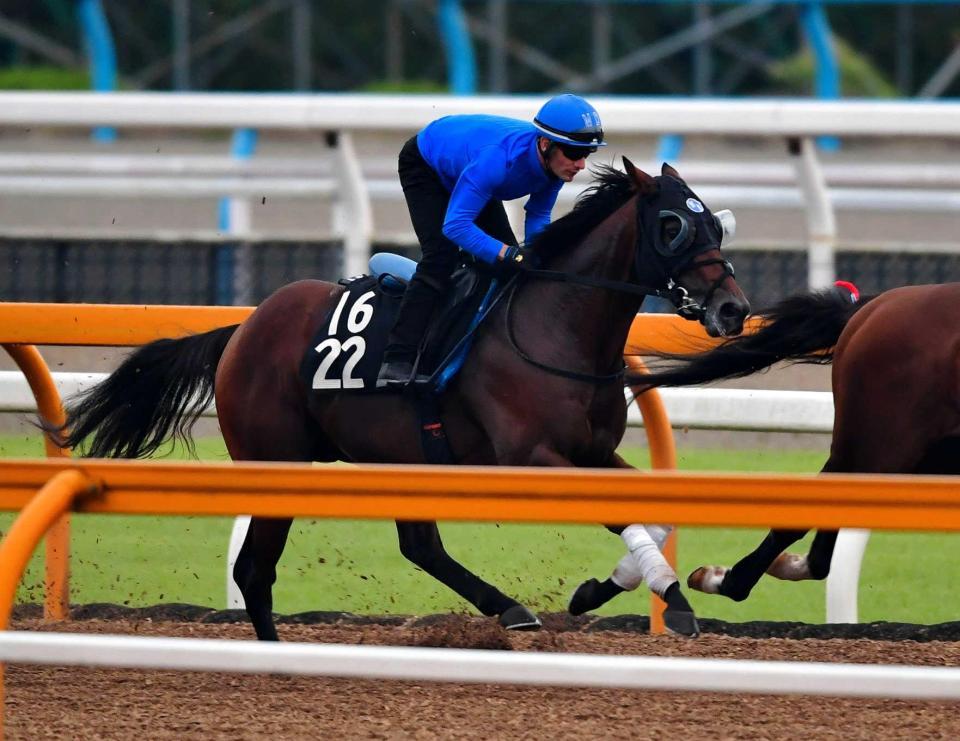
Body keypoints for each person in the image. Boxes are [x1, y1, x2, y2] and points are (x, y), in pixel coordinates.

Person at [376, 93, 607, 387]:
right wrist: (510, 254)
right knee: (441, 258)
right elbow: (456, 226)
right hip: (427, 166)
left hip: (468, 169)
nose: (581, 165)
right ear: (546, 144)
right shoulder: (497, 161)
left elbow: (537, 216)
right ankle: (397, 358)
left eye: (586, 154)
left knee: (510, 269)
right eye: (575, 154)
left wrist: (536, 258)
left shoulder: (554, 167)